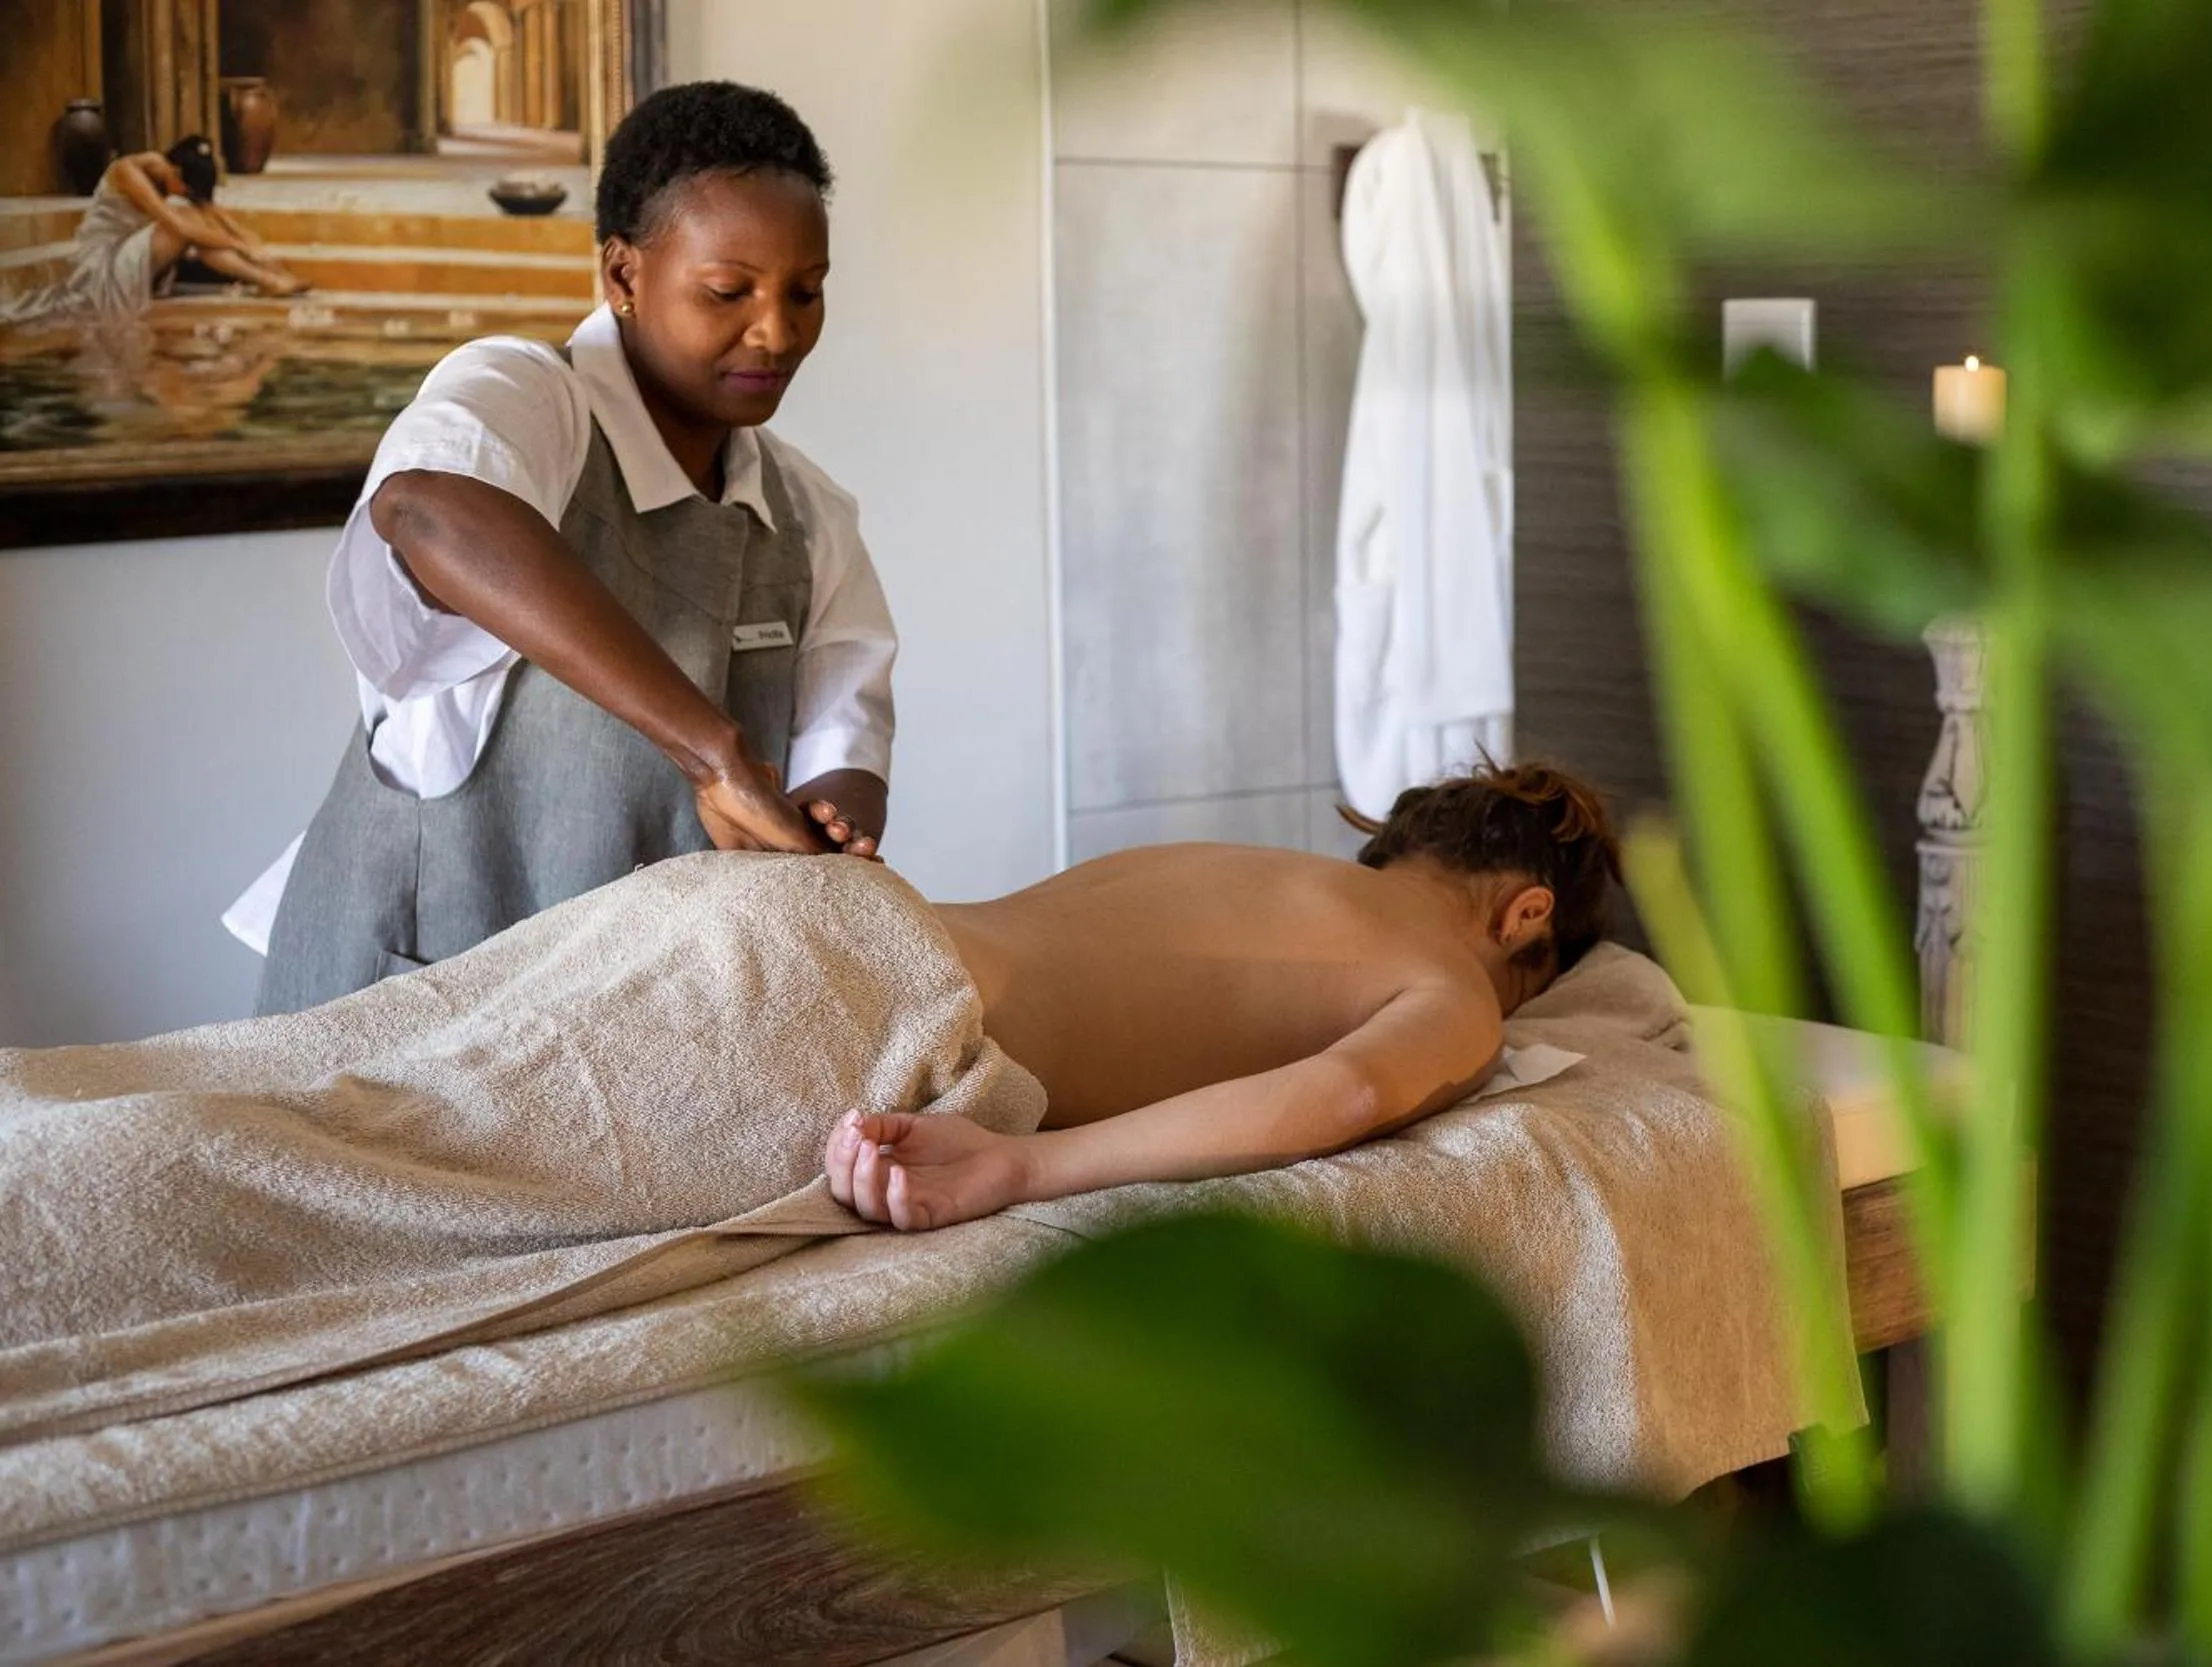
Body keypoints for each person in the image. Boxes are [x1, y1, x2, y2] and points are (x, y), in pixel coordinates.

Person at [236, 81, 899, 1015]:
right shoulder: (526, 398)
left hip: (619, 1033)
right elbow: (429, 512)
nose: (777, 331)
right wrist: (710, 752)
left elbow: (844, 743)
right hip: (404, 1014)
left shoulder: (809, 515)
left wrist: (828, 830)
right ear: (623, 276)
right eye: (727, 291)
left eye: (806, 291)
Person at [835, 760, 1622, 1231]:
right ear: (1526, 916)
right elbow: (1346, 1094)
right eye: (1527, 991)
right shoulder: (1455, 984)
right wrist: (1022, 1168)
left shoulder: (1241, 866)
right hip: (897, 1011)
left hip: (847, 911)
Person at [0, 136, 305, 326]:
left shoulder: (174, 177)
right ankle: (266, 281)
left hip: (132, 257)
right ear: (174, 171)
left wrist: (261, 253)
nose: (185, 192)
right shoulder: (128, 172)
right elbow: (179, 226)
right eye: (185, 186)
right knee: (185, 224)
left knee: (198, 218)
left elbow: (217, 215)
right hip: (103, 266)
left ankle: (270, 279)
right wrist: (240, 248)